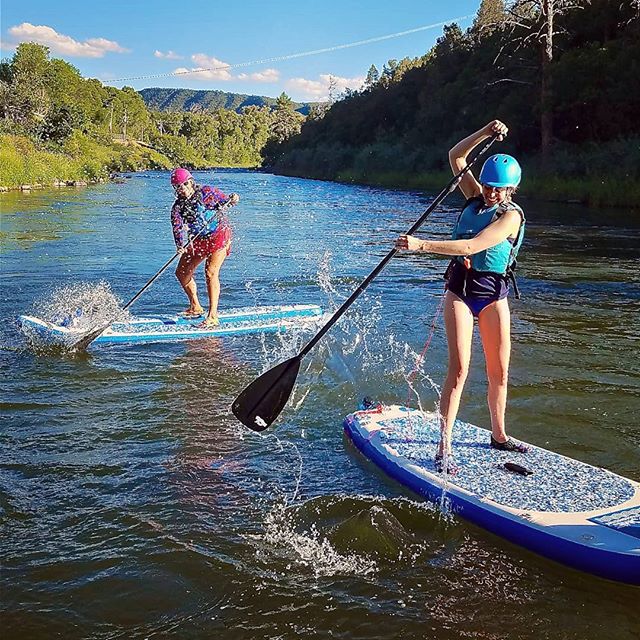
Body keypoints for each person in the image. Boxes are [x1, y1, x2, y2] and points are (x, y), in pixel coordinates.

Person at [395, 120, 528, 473]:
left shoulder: (510, 217)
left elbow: (472, 245)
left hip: (493, 294)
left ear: (511, 189)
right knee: (460, 370)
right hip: (460, 292)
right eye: (487, 185)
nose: (490, 193)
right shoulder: (474, 197)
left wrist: (422, 245)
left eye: (499, 189)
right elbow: (456, 156)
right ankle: (444, 447)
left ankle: (498, 435)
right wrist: (486, 131)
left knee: (499, 371)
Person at [170, 168, 239, 327]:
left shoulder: (207, 192)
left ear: (191, 181)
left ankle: (213, 316)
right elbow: (177, 228)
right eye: (177, 187)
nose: (182, 189)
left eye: (184, 184)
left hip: (219, 235)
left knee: (210, 272)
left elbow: (226, 201)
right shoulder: (177, 208)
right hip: (198, 239)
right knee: (181, 272)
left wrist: (233, 198)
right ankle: (195, 306)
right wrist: (180, 245)